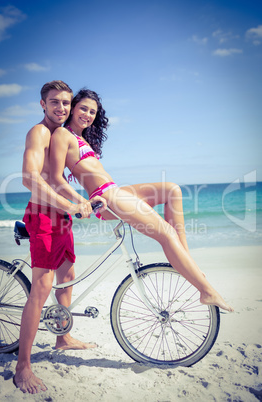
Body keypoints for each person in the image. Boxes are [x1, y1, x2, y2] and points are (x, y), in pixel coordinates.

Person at [50, 88, 234, 313]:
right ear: (72, 108)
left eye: (92, 111)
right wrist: (81, 202)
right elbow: (56, 177)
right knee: (166, 233)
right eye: (83, 109)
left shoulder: (80, 137)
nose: (87, 114)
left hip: (115, 191)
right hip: (106, 197)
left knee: (172, 190)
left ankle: (189, 263)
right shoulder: (62, 135)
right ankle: (206, 291)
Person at [14, 81, 106, 394]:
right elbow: (30, 178)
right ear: (42, 104)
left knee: (68, 274)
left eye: (66, 103)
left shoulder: (59, 136)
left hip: (60, 217)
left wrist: (79, 201)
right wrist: (70, 204)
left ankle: (63, 337)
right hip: (42, 217)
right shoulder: (39, 132)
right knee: (41, 287)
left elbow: (57, 180)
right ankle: (23, 365)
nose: (61, 108)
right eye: (54, 102)